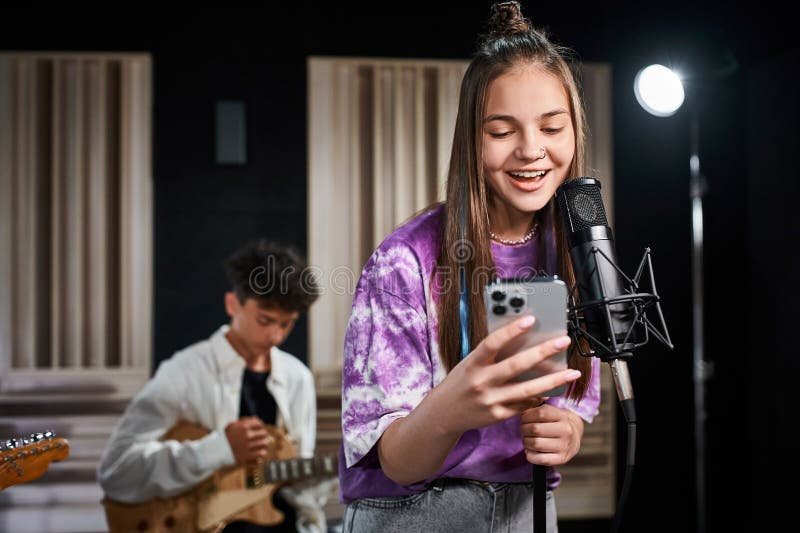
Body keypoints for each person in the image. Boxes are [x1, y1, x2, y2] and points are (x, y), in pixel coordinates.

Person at [338, 2, 601, 532]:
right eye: (502, 131)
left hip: (530, 511)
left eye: (552, 127)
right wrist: (450, 409)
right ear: (470, 139)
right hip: (413, 514)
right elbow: (397, 461)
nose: (532, 150)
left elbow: (574, 398)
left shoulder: (577, 251)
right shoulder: (404, 262)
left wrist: (567, 430)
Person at [98, 239, 334, 533]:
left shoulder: (297, 377)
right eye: (265, 320)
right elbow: (117, 470)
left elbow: (295, 486)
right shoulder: (182, 372)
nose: (275, 335)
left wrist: (319, 478)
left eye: (287, 324)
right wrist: (219, 449)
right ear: (232, 304)